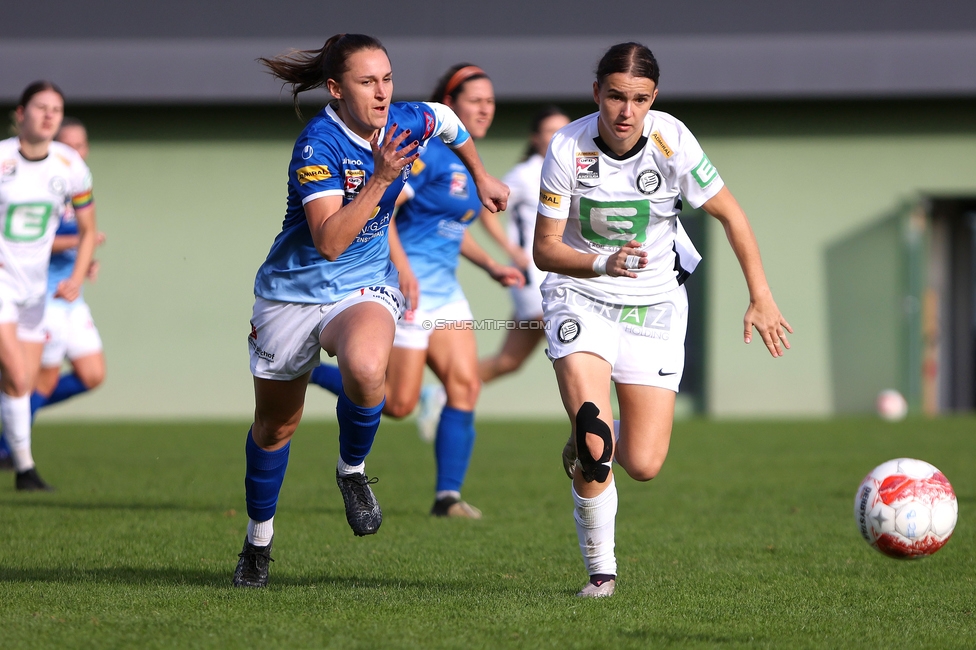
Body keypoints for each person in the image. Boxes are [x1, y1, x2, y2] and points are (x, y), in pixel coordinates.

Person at [234, 35, 508, 588]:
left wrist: (479, 175)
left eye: (387, 79)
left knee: (365, 369)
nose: (382, 92)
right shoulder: (318, 145)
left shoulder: (406, 120)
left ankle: (352, 472)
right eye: (367, 82)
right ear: (336, 89)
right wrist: (382, 177)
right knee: (275, 426)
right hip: (292, 293)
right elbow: (331, 241)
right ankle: (258, 543)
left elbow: (448, 121)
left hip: (363, 287)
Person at [533, 43, 792, 598]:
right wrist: (604, 261)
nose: (627, 111)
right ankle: (601, 574)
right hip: (579, 295)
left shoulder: (671, 138)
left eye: (640, 99)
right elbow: (544, 249)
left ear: (654, 99)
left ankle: (585, 443)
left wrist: (761, 295)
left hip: (654, 306)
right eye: (616, 96)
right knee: (597, 441)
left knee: (644, 463)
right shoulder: (566, 146)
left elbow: (731, 215)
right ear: (596, 93)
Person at [309, 63, 523, 519]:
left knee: (464, 387)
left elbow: (448, 228)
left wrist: (490, 266)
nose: (485, 109)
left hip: (445, 294)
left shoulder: (466, 162)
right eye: (474, 101)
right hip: (409, 290)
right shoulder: (422, 153)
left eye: (490, 101)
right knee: (400, 403)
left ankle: (447, 498)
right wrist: (403, 271)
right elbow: (380, 214)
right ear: (451, 105)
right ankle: (307, 371)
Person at [0, 82, 98, 490]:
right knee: (18, 377)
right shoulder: (2, 157)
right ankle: (25, 468)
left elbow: (89, 229)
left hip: (36, 288)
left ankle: (22, 469)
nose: (48, 115)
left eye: (56, 109)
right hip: (2, 281)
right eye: (40, 107)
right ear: (20, 113)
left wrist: (75, 279)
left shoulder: (70, 166)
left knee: (26, 382)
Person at [477, 105, 571, 383]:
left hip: (565, 271)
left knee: (509, 360)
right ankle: (589, 417)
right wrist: (511, 249)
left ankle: (445, 393)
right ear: (535, 138)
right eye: (551, 130)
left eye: (564, 130)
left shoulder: (574, 171)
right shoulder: (525, 174)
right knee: (569, 335)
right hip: (533, 274)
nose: (558, 136)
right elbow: (487, 210)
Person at [31, 117, 107, 417]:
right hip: (43, 294)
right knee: (44, 378)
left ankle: (12, 405)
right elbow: (31, 242)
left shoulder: (79, 185)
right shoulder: (41, 186)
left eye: (79, 145)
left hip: (71, 294)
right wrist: (78, 241)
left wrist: (86, 261)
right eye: (66, 145)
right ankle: (8, 447)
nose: (73, 152)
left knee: (92, 374)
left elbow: (80, 239)